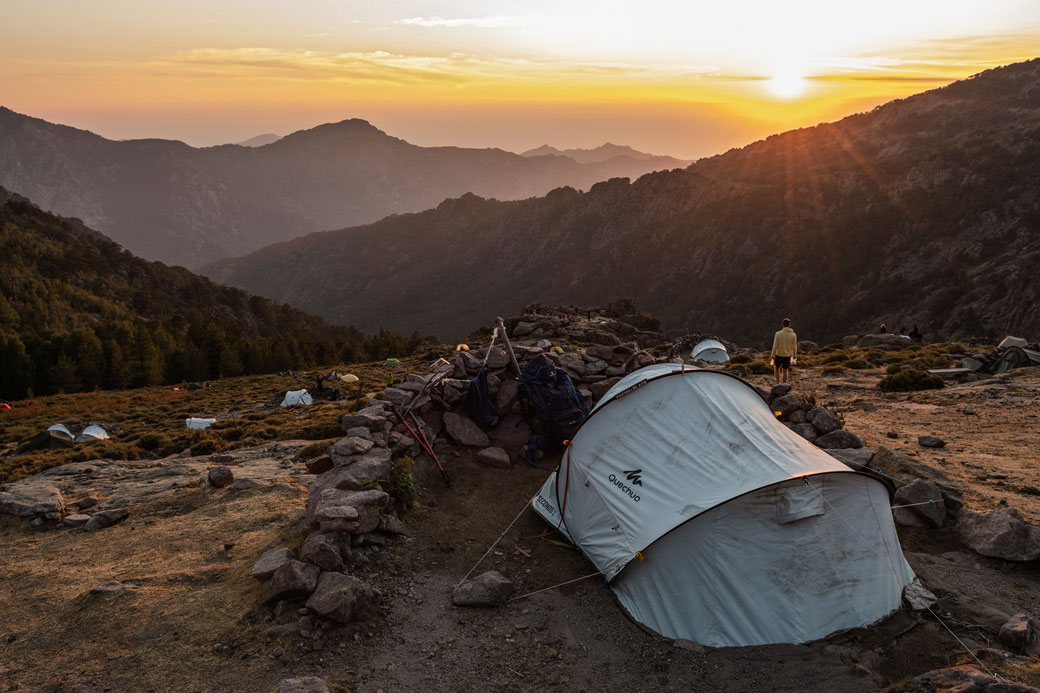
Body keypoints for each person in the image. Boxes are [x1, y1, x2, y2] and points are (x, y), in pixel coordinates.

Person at [770, 318, 797, 384]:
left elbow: (775, 346)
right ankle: (784, 384)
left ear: (782, 324)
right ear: (789, 324)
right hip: (788, 355)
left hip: (778, 354)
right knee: (785, 370)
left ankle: (777, 383)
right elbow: (794, 347)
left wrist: (772, 356)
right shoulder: (793, 335)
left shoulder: (778, 334)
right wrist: (794, 356)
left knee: (776, 369)